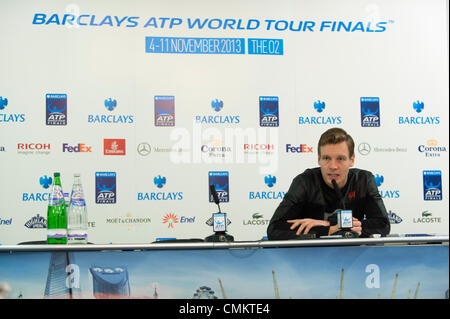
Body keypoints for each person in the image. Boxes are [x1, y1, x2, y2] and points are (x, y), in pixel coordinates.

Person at [267, 127, 390, 239]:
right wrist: (330, 229)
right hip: (311, 257)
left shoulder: (363, 180)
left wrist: (327, 224)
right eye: (326, 158)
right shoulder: (305, 182)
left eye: (340, 159)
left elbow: (383, 225)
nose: (333, 166)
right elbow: (275, 229)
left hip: (352, 256)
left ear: (351, 160)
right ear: (318, 159)